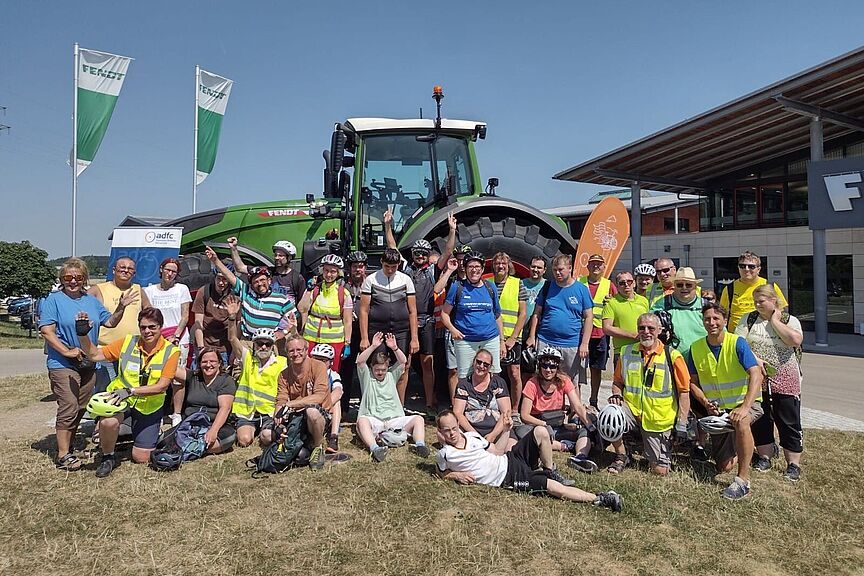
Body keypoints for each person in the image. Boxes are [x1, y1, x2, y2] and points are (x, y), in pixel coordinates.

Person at [39, 258, 138, 471]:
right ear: (62, 279)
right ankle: (63, 455)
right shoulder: (53, 300)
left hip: (88, 362)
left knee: (82, 407)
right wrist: (66, 350)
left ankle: (69, 443)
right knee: (68, 406)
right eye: (68, 277)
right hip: (62, 362)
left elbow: (110, 322)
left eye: (78, 277)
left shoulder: (90, 300)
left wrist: (120, 308)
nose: (73, 281)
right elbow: (46, 330)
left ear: (84, 279)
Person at [435, 410, 622, 512]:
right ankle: (600, 498)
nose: (452, 433)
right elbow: (441, 473)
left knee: (540, 432)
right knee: (552, 488)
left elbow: (498, 451)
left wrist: (507, 430)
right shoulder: (445, 454)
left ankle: (549, 470)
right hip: (508, 478)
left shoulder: (472, 437)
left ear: (458, 426)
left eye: (453, 428)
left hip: (510, 458)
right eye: (446, 430)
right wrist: (456, 475)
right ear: (440, 432)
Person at [77, 307, 180, 478]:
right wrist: (82, 335)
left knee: (141, 457)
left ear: (160, 327)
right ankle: (108, 456)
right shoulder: (127, 342)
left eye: (152, 327)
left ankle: (139, 434)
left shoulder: (171, 351)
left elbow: (162, 386)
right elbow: (95, 355)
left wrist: (131, 391)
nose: (147, 331)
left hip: (148, 406)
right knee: (109, 422)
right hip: (120, 399)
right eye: (143, 327)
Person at [688, 302, 764, 500]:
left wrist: (745, 407)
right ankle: (744, 448)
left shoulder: (737, 343)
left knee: (741, 421)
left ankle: (743, 481)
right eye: (707, 319)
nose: (711, 322)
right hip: (719, 412)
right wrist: (705, 402)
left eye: (716, 318)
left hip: (745, 404)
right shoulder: (695, 348)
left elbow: (756, 374)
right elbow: (692, 382)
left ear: (724, 320)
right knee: (723, 466)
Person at [385, 211, 457, 417]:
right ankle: (399, 405)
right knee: (404, 363)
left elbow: (448, 251)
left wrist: (452, 231)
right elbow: (392, 248)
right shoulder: (405, 268)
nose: (420, 257)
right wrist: (388, 226)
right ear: (413, 255)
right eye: (417, 253)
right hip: (406, 319)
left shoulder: (433, 271)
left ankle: (429, 402)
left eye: (423, 254)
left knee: (428, 363)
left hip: (426, 320)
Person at [606, 313, 691, 476]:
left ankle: (651, 447)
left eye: (651, 328)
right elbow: (618, 382)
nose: (646, 331)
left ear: (659, 330)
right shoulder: (626, 352)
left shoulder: (672, 356)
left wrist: (681, 425)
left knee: (659, 471)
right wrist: (616, 395)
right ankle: (622, 454)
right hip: (632, 411)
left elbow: (684, 393)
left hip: (657, 421)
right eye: (641, 328)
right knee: (609, 414)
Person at [734, 285, 804, 481]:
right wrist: (755, 359)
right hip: (758, 378)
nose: (757, 305)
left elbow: (795, 340)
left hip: (786, 377)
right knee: (761, 418)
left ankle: (793, 463)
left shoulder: (790, 320)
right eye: (755, 301)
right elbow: (739, 344)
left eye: (761, 301)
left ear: (774, 301)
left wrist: (774, 320)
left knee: (788, 419)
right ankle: (765, 455)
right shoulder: (749, 319)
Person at [519, 347, 598, 473]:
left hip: (558, 426)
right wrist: (543, 425)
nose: (548, 370)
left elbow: (577, 406)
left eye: (552, 366)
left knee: (584, 431)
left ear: (557, 367)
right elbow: (524, 415)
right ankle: (564, 446)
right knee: (525, 436)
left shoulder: (564, 381)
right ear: (539, 366)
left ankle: (580, 457)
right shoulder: (532, 384)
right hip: (538, 427)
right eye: (544, 366)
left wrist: (591, 427)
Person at [355, 331, 429, 462]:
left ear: (387, 368)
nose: (380, 372)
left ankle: (420, 445)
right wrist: (373, 346)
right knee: (362, 421)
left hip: (395, 420)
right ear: (372, 367)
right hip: (375, 420)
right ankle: (375, 448)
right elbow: (360, 362)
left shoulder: (391, 375)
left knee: (418, 419)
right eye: (377, 369)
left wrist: (394, 347)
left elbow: (403, 362)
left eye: (383, 369)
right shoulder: (367, 377)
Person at [224, 296, 287, 448]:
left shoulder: (282, 363)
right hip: (247, 411)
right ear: (254, 345)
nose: (263, 347)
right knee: (244, 440)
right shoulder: (247, 359)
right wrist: (232, 318)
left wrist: (292, 329)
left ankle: (266, 431)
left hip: (269, 413)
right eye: (260, 344)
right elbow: (232, 338)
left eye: (267, 344)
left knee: (267, 439)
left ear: (273, 346)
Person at [358, 247, 419, 404]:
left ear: (399, 264)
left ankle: (399, 406)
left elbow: (413, 311)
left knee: (402, 367)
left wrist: (414, 338)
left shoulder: (406, 280)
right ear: (381, 263)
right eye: (387, 266)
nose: (390, 270)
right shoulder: (371, 280)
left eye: (394, 266)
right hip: (377, 331)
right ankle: (377, 405)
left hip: (401, 331)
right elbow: (363, 311)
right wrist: (364, 338)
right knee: (377, 368)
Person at [525, 254, 593, 386]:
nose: (557, 273)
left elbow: (589, 317)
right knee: (543, 379)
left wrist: (584, 343)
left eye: (561, 269)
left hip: (571, 344)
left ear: (570, 268)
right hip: (546, 341)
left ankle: (574, 406)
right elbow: (537, 313)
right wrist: (532, 336)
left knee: (571, 382)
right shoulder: (547, 287)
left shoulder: (581, 290)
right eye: (555, 269)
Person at [204, 246, 296, 344]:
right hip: (248, 342)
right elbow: (229, 276)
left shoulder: (281, 299)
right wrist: (216, 260)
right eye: (256, 281)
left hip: (270, 344)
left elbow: (294, 320)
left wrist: (284, 332)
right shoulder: (246, 292)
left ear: (269, 281)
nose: (260, 284)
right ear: (251, 284)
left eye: (262, 280)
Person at [88, 256, 150, 392]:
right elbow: (79, 306)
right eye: (122, 267)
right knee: (104, 390)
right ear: (114, 270)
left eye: (130, 269)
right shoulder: (98, 289)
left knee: (129, 389)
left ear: (134, 273)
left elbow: (150, 315)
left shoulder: (138, 290)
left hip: (132, 349)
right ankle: (104, 413)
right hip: (105, 350)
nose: (126, 271)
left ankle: (125, 413)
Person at [440, 250, 505, 379]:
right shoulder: (457, 287)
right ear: (465, 268)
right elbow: (444, 313)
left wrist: (502, 341)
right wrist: (453, 330)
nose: (474, 270)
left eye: (477, 267)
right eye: (470, 266)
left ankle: (489, 399)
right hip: (465, 340)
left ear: (482, 270)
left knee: (493, 376)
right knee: (464, 377)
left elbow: (497, 316)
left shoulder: (490, 287)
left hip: (490, 339)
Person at [273, 333, 333, 470]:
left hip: (320, 414)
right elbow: (281, 399)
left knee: (311, 411)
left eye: (299, 350)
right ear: (287, 353)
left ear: (306, 350)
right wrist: (278, 416)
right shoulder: (283, 374)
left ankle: (318, 448)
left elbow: (318, 397)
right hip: (297, 416)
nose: (296, 354)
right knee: (266, 436)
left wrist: (290, 404)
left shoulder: (318, 366)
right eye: (291, 351)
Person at [144, 257, 193, 426]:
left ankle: (177, 413)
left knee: (177, 377)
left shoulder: (182, 289)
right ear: (161, 269)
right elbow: (149, 316)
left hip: (178, 336)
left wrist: (176, 336)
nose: (170, 274)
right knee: (156, 376)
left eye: (174, 271)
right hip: (157, 337)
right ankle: (157, 412)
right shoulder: (149, 291)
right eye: (168, 270)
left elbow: (185, 315)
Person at [167, 347, 237, 454]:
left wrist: (213, 431)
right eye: (204, 362)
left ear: (219, 363)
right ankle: (188, 447)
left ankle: (185, 448)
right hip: (190, 424)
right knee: (162, 441)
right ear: (199, 364)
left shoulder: (226, 381)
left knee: (225, 439)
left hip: (214, 424)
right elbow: (171, 369)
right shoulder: (194, 377)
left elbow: (225, 408)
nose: (208, 365)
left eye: (213, 361)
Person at [296, 254, 352, 371]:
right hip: (311, 339)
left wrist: (347, 343)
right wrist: (309, 290)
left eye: (333, 271)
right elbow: (302, 308)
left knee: (331, 373)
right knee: (308, 371)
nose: (329, 275)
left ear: (338, 273)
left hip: (334, 341)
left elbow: (347, 321)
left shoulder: (344, 293)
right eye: (326, 271)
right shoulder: (315, 290)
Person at [489, 252, 528, 410]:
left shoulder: (517, 284)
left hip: (512, 337)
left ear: (508, 266)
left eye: (503, 264)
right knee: (492, 372)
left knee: (514, 373)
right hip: (491, 336)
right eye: (497, 263)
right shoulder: (487, 283)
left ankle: (514, 409)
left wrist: (512, 337)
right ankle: (492, 406)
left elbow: (523, 313)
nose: (500, 266)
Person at [577, 254, 617, 409]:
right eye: (593, 264)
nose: (596, 266)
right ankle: (578, 403)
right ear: (587, 266)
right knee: (579, 370)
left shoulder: (609, 285)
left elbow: (616, 304)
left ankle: (593, 401)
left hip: (600, 334)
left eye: (599, 264)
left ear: (604, 266)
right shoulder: (580, 282)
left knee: (596, 369)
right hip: (580, 333)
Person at [719, 250, 788, 332]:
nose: (746, 269)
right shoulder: (729, 289)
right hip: (736, 337)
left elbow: (781, 311)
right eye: (742, 266)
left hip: (765, 336)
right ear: (738, 268)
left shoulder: (770, 286)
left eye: (751, 266)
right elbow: (722, 314)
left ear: (758, 269)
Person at [452, 349, 512, 443]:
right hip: (471, 430)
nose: (481, 366)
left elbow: (506, 412)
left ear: (490, 367)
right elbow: (457, 412)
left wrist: (493, 435)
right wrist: (474, 434)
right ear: (473, 362)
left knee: (511, 446)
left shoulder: (499, 382)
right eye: (479, 362)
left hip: (497, 430)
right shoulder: (463, 384)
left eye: (486, 364)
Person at [228, 237, 306, 307]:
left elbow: (302, 307)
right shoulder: (266, 272)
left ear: (289, 257)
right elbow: (240, 268)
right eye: (275, 255)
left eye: (280, 256)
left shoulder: (297, 278)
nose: (276, 258)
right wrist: (233, 248)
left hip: (286, 320)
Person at [650, 267, 707, 358]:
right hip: (672, 360)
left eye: (688, 285)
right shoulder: (662, 304)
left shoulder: (706, 306)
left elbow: (720, 334)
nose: (684, 288)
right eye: (680, 285)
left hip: (702, 360)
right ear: (674, 286)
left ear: (695, 287)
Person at [339, 250, 368, 418]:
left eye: (361, 266)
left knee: (366, 371)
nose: (358, 270)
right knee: (346, 371)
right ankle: (343, 409)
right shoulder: (342, 284)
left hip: (366, 332)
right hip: (347, 332)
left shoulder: (371, 282)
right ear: (350, 268)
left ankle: (366, 410)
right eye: (355, 266)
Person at [602, 271, 650, 373]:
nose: (626, 285)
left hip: (643, 349)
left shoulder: (644, 301)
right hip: (622, 352)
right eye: (622, 283)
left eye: (629, 281)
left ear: (634, 283)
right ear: (617, 286)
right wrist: (632, 335)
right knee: (620, 385)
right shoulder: (611, 303)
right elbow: (607, 328)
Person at [190, 258, 234, 366]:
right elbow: (198, 322)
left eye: (224, 279)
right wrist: (201, 348)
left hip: (224, 348)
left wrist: (234, 350)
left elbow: (237, 324)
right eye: (218, 278)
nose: (221, 283)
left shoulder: (235, 296)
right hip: (205, 343)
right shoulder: (204, 291)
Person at [433, 254, 461, 401]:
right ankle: (455, 405)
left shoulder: (476, 279)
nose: (462, 262)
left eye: (465, 259)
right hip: (452, 327)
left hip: (470, 329)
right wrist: (449, 270)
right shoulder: (452, 279)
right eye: (459, 259)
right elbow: (437, 289)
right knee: (453, 370)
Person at [310, 343, 344, 453]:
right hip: (309, 413)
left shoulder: (333, 375)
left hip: (326, 411)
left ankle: (334, 437)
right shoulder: (307, 373)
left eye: (323, 360)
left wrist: (323, 406)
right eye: (316, 359)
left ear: (330, 362)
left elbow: (338, 391)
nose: (319, 363)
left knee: (337, 401)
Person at [521, 257, 547, 384]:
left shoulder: (547, 286)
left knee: (537, 367)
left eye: (539, 267)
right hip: (522, 330)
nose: (535, 270)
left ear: (544, 270)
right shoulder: (521, 283)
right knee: (522, 367)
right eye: (533, 266)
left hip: (539, 331)